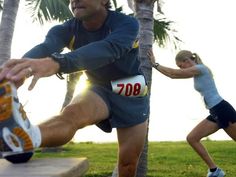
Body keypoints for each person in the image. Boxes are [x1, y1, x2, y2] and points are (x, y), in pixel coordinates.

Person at [0, 0, 150, 176]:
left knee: (128, 164)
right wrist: (15, 71)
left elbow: (109, 49)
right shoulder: (65, 29)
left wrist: (57, 62)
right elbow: (46, 47)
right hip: (99, 88)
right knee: (70, 115)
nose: (74, 0)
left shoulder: (127, 24)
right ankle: (26, 138)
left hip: (132, 89)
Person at [147, 49, 236, 177]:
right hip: (215, 111)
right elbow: (174, 74)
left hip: (222, 110)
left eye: (181, 65)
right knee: (192, 138)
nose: (181, 68)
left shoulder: (200, 69)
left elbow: (173, 74)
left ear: (187, 60)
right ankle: (215, 170)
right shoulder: (197, 71)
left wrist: (155, 64)